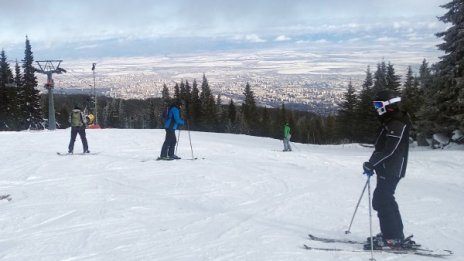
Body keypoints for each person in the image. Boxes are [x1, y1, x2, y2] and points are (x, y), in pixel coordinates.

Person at [362, 90, 412, 250]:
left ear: (388, 105)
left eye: (378, 105)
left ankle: (392, 237)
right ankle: (395, 235)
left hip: (392, 169)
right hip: (386, 168)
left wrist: (373, 164)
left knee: (382, 200)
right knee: (386, 199)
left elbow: (390, 150)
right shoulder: (391, 120)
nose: (376, 108)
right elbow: (381, 147)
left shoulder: (396, 123)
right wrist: (371, 163)